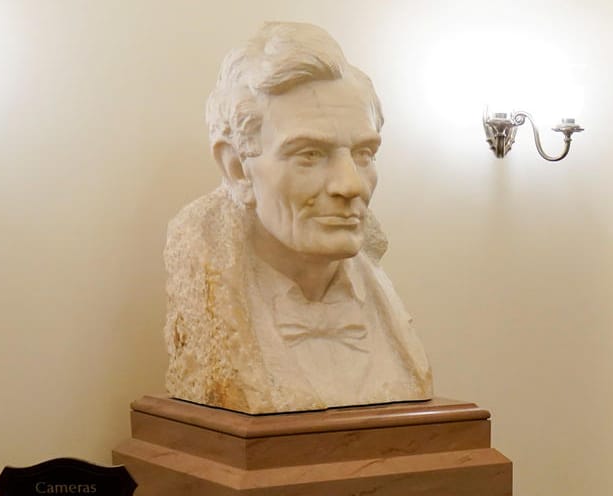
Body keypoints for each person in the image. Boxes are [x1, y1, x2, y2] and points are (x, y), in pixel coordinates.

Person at [165, 22, 431, 414]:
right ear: (238, 169)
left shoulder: (384, 308)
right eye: (310, 154)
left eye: (364, 154)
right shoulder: (209, 291)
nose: (350, 185)